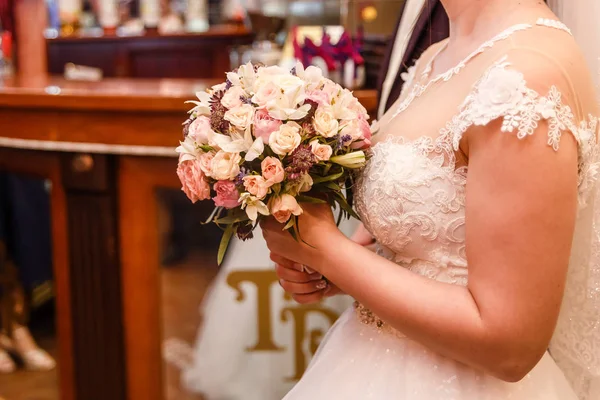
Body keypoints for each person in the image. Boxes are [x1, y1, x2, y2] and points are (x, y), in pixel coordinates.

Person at [263, 0, 600, 399]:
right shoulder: (436, 55)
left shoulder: (526, 76)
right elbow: (436, 252)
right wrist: (348, 269)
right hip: (370, 363)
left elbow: (510, 344)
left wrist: (328, 251)